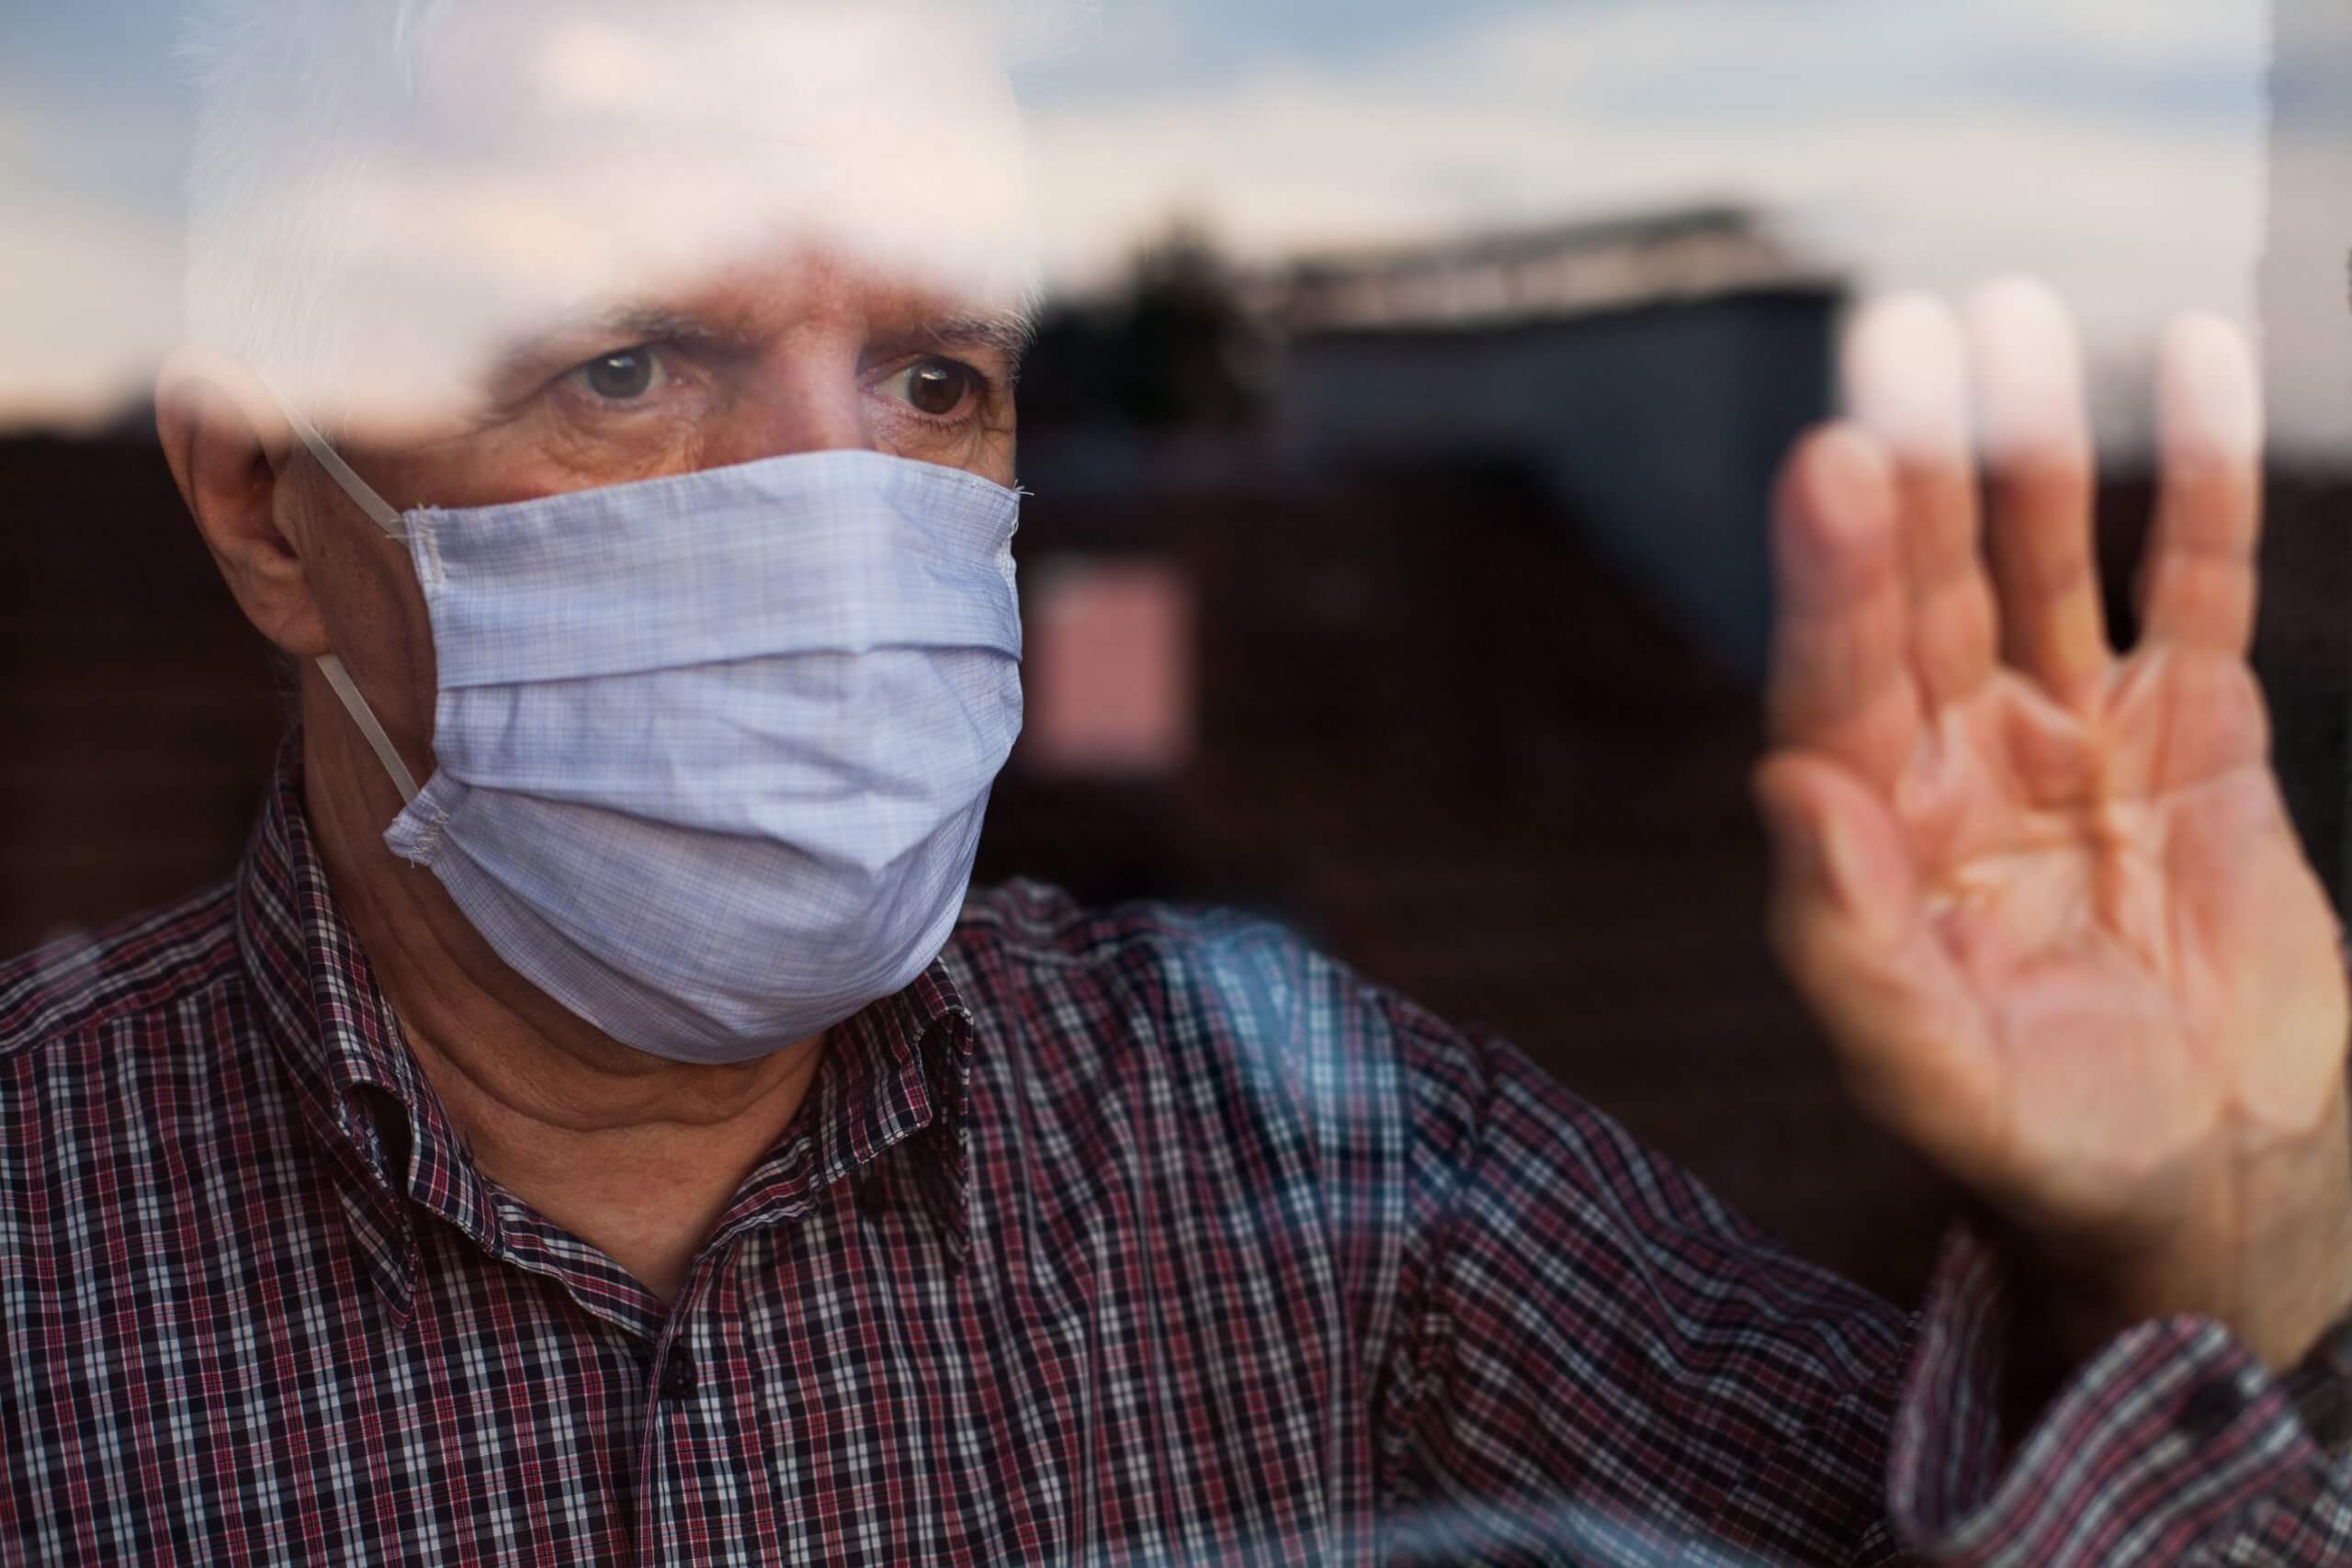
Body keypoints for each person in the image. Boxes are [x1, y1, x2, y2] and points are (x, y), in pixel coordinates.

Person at [5, 2, 2350, 1562]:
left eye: (934, 379)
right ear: (254, 501)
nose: (836, 525)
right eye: (626, 363)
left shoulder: (1310, 1149)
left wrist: (2202, 1245)